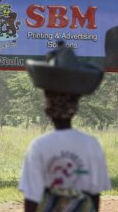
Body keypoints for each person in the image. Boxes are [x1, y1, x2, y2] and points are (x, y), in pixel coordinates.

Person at [19, 42, 111, 212]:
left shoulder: (39, 146)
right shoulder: (91, 145)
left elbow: (31, 200)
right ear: (75, 107)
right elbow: (94, 197)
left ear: (48, 107)